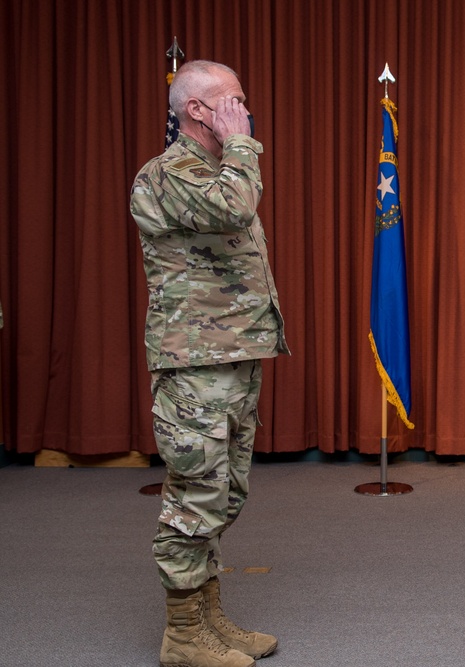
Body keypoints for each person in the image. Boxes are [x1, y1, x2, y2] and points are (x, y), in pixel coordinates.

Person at [131, 60, 289, 667]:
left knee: (226, 492)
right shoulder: (168, 175)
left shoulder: (220, 168)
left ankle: (208, 616)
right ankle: (181, 635)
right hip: (194, 361)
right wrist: (243, 143)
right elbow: (232, 210)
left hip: (235, 353)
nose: (244, 112)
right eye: (233, 101)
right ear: (196, 110)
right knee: (195, 490)